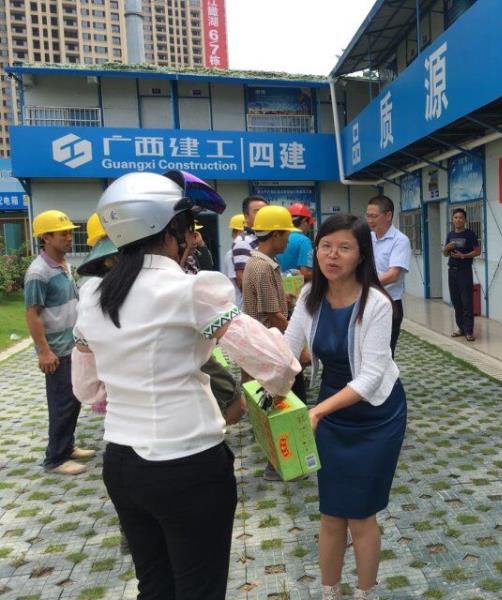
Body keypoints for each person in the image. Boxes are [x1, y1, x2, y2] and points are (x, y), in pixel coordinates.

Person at [70, 171, 300, 599]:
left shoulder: (94, 295)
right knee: (200, 589)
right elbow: (280, 367)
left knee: (154, 587)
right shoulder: (191, 289)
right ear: (169, 229)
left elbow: (87, 391)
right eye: (190, 228)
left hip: (121, 463)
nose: (195, 239)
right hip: (187, 464)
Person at [284, 214, 406, 600]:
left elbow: (370, 378)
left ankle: (365, 593)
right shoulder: (309, 295)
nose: (332, 255)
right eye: (325, 246)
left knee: (361, 515)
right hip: (332, 411)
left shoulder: (376, 303)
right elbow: (287, 352)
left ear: (361, 255)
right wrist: (263, 379)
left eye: (344, 248)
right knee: (332, 512)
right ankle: (330, 592)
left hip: (376, 415)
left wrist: (317, 411)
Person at [24, 209, 95, 475]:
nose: (69, 238)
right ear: (46, 237)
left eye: (69, 233)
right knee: (62, 403)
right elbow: (32, 314)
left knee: (73, 398)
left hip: (72, 346)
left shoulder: (63, 265)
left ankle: (67, 446)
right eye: (63, 234)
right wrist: (44, 352)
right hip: (57, 350)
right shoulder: (38, 272)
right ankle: (55, 459)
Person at [242, 204, 308, 415]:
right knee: (289, 398)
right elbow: (273, 316)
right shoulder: (262, 267)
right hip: (271, 345)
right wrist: (301, 344)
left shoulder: (262, 262)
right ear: (276, 234)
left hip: (266, 343)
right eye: (287, 234)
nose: (289, 239)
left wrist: (283, 298)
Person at [365, 195, 410, 356]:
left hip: (389, 303)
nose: (370, 220)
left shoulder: (400, 240)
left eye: (374, 216)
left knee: (384, 355)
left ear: (388, 215)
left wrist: (364, 283)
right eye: (368, 216)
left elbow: (393, 275)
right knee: (365, 351)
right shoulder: (368, 238)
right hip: (367, 300)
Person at [442, 207, 480, 342]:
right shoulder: (450, 235)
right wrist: (446, 248)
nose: (458, 220)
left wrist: (463, 255)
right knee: (456, 301)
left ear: (465, 220)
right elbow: (445, 253)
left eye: (460, 218)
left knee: (467, 301)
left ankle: (469, 331)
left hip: (464, 271)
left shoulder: (470, 234)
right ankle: (461, 328)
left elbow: (477, 251)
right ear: (452, 219)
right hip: (452, 271)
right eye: (455, 217)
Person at [232, 194, 267, 290]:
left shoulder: (262, 238)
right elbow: (243, 280)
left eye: (265, 211)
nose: (263, 215)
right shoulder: (243, 242)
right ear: (246, 217)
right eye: (257, 211)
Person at [277, 202, 315, 282]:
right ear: (304, 221)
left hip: (279, 284)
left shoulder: (279, 237)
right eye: (309, 224)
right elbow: (306, 273)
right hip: (297, 287)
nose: (309, 228)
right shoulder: (303, 240)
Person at [223, 214, 245, 306]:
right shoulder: (232, 253)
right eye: (243, 233)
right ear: (234, 234)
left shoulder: (243, 250)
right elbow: (239, 281)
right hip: (239, 305)